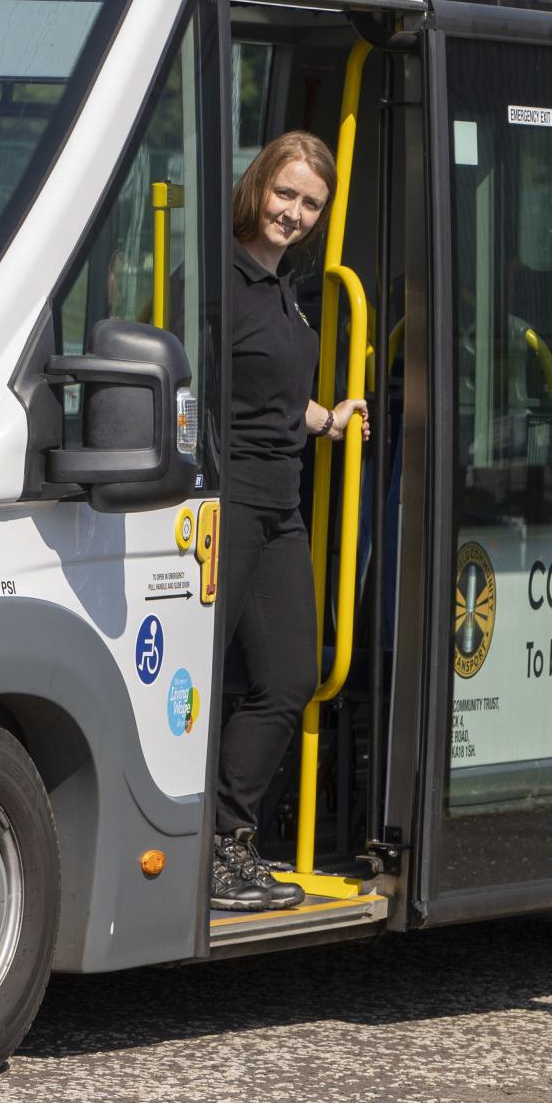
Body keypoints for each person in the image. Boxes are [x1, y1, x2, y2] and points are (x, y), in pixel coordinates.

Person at [211, 131, 368, 913]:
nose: (294, 214)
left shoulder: (282, 288)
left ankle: (227, 839)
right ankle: (209, 845)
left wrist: (328, 418)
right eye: (285, 194)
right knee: (209, 675)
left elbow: (272, 395)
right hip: (229, 500)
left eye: (310, 204)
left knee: (289, 679)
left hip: (282, 502)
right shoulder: (219, 281)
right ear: (258, 186)